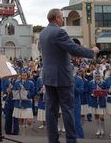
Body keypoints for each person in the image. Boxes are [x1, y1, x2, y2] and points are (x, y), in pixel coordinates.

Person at [39, 8, 99, 143]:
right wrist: (91, 51)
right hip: (62, 77)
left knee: (51, 111)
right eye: (61, 17)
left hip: (48, 77)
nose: (62, 20)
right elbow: (74, 49)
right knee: (67, 109)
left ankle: (53, 140)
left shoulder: (43, 33)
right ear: (56, 18)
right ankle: (71, 140)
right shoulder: (59, 32)